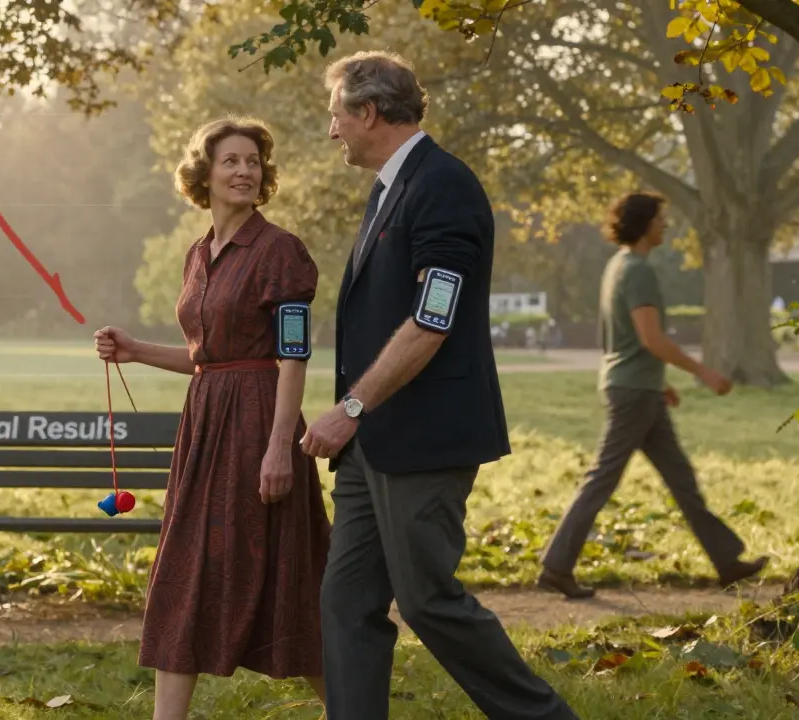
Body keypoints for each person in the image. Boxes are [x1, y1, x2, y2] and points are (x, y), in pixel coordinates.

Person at [299, 51, 578, 720]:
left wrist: (350, 406)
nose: (332, 130)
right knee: (346, 602)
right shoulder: (391, 187)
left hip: (422, 437)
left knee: (428, 599)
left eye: (336, 115)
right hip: (371, 444)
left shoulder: (442, 185)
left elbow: (432, 322)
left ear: (368, 112)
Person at [94, 117, 330, 719]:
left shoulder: (281, 252)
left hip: (259, 425)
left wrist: (282, 446)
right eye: (230, 161)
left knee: (285, 582)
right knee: (185, 575)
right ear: (205, 172)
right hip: (205, 429)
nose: (244, 171)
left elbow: (293, 357)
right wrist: (135, 350)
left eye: (252, 161)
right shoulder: (198, 254)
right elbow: (208, 359)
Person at [537, 191, 769, 600]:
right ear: (645, 224)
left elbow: (627, 338)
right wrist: (704, 372)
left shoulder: (618, 266)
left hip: (639, 389)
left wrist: (659, 384)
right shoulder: (638, 271)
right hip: (632, 393)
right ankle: (556, 565)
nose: (665, 225)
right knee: (601, 480)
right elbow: (649, 338)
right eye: (661, 219)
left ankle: (727, 562)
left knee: (681, 478)